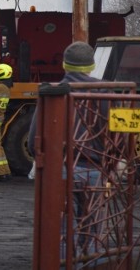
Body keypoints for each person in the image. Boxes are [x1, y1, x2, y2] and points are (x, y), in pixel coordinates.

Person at [27, 41, 107, 264]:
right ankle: (90, 264)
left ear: (64, 64)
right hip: (95, 169)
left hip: (60, 170)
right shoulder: (105, 91)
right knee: (92, 229)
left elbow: (34, 141)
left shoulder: (51, 93)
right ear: (91, 66)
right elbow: (116, 135)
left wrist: (42, 161)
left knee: (62, 232)